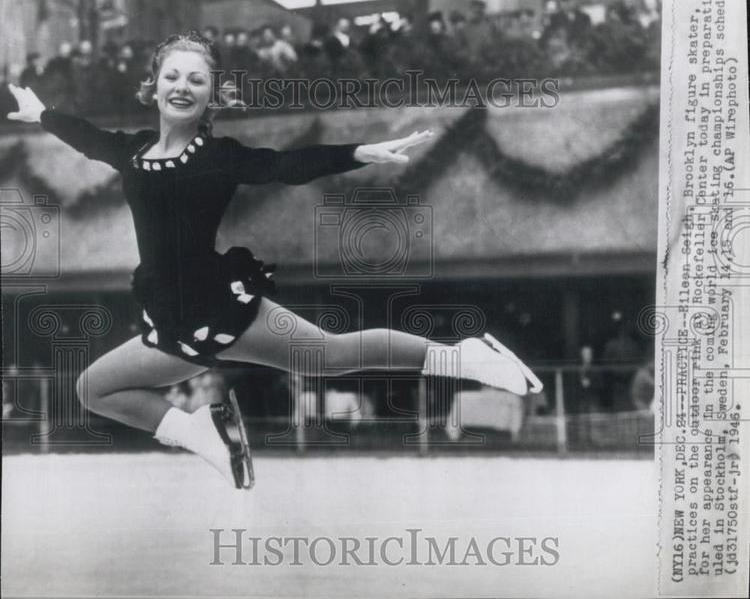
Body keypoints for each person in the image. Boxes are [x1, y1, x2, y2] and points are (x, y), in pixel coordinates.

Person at [7, 31, 542, 489]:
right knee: (95, 388)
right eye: (173, 76)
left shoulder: (219, 157)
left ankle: (465, 357)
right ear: (154, 85)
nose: (182, 87)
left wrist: (358, 153)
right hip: (169, 322)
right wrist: (42, 114)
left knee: (330, 356)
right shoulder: (133, 150)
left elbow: (285, 165)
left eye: (196, 80)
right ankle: (199, 432)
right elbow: (90, 139)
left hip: (220, 310)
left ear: (211, 94)